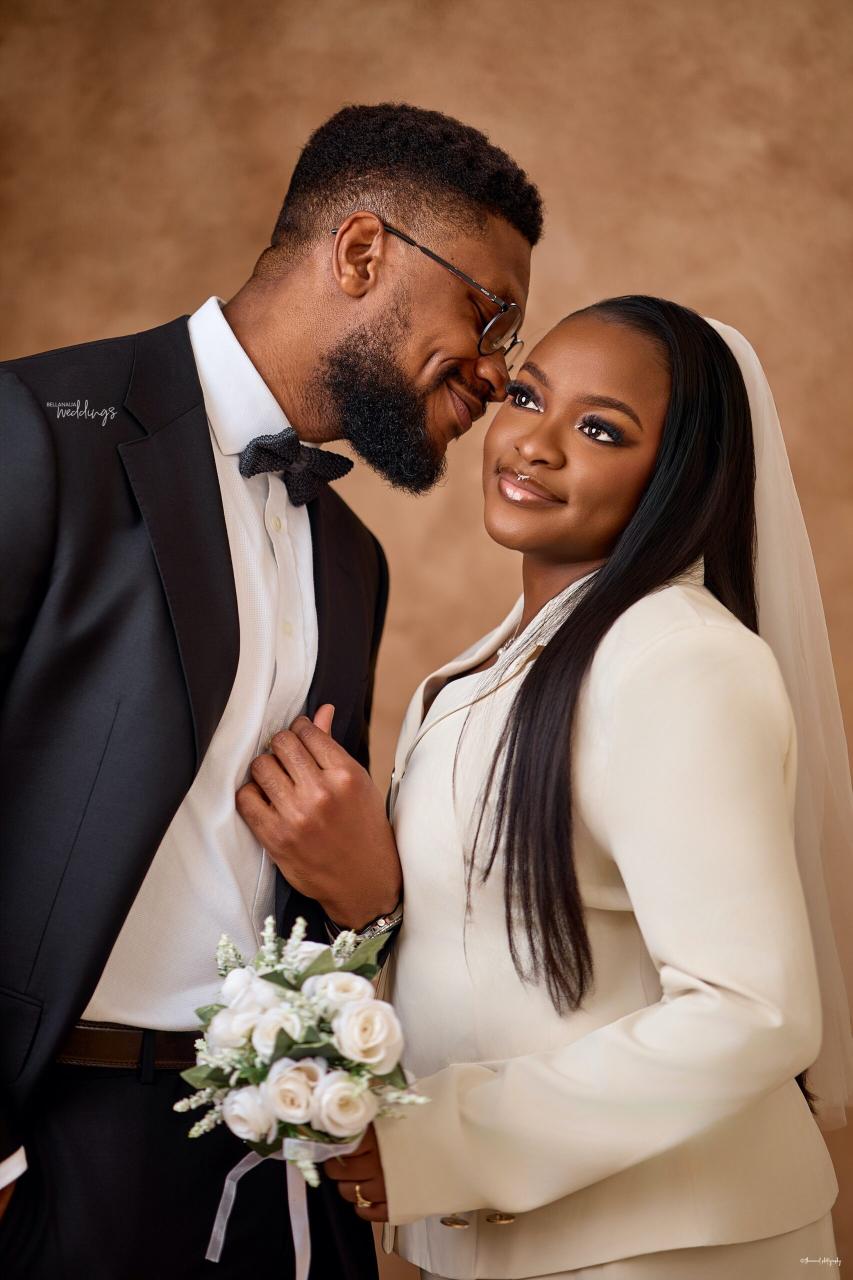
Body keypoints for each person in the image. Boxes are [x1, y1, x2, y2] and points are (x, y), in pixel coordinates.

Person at [0, 102, 541, 1278]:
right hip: (53, 1153)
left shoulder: (352, 555)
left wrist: (364, 895)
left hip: (277, 1165)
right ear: (362, 252)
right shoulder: (37, 427)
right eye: (488, 311)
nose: (499, 369)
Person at [312, 297, 853, 1278]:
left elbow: (753, 1008)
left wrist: (449, 1140)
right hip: (508, 1245)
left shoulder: (678, 662)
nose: (534, 442)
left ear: (676, 474)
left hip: (667, 1249)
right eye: (528, 397)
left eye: (601, 429)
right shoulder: (484, 669)